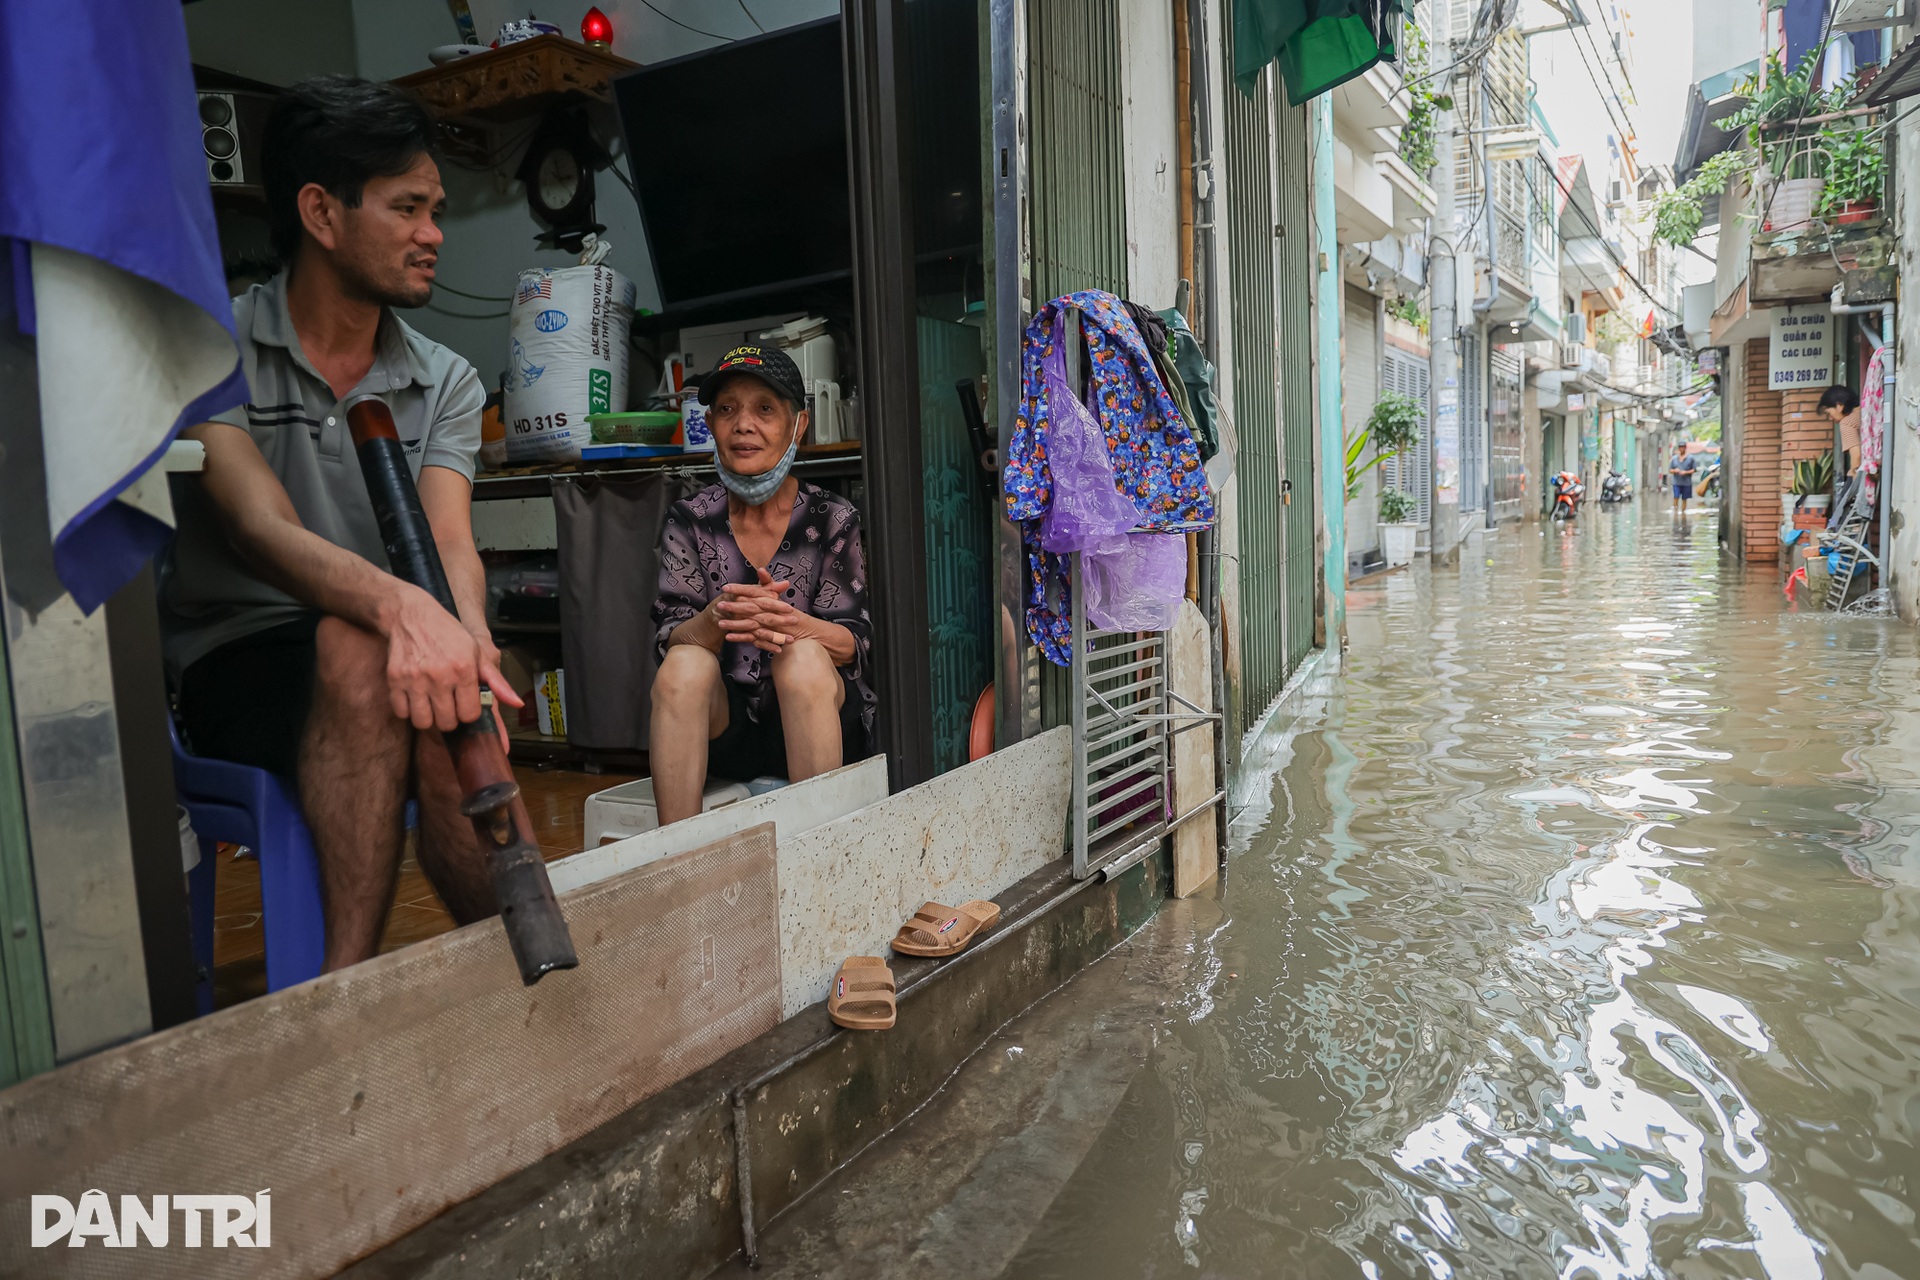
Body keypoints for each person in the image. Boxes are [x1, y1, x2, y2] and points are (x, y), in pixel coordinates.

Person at [162, 77, 518, 971]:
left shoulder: (445, 380)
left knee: (443, 711)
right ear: (321, 213)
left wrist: (468, 641)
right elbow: (258, 528)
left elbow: (448, 544)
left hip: (395, 643)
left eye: (435, 210)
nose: (434, 234)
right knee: (362, 653)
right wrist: (406, 616)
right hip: (238, 661)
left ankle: (522, 978)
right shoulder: (211, 349)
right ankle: (345, 986)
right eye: (408, 209)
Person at [649, 346, 874, 826]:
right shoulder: (690, 520)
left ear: (799, 425)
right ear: (710, 424)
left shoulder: (833, 518)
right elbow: (668, 637)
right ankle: (676, 860)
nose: (743, 424)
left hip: (819, 723)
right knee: (685, 663)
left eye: (765, 409)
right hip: (727, 734)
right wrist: (714, 622)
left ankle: (820, 856)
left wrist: (794, 626)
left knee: (804, 656)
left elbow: (855, 644)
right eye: (727, 409)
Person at [1818, 384, 1861, 475]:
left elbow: (1857, 457)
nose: (1830, 418)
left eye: (1828, 413)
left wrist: (1853, 476)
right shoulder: (1864, 411)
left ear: (1839, 406)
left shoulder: (1847, 423)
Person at [1666, 443, 1697, 513]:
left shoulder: (1691, 458)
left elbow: (1694, 469)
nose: (1681, 449)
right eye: (1680, 447)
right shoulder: (1674, 459)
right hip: (1676, 482)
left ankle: (1683, 511)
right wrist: (1675, 470)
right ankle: (1675, 510)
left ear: (1685, 448)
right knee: (1676, 496)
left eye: (1683, 447)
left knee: (1684, 498)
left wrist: (1685, 472)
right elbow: (1670, 470)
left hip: (1686, 482)